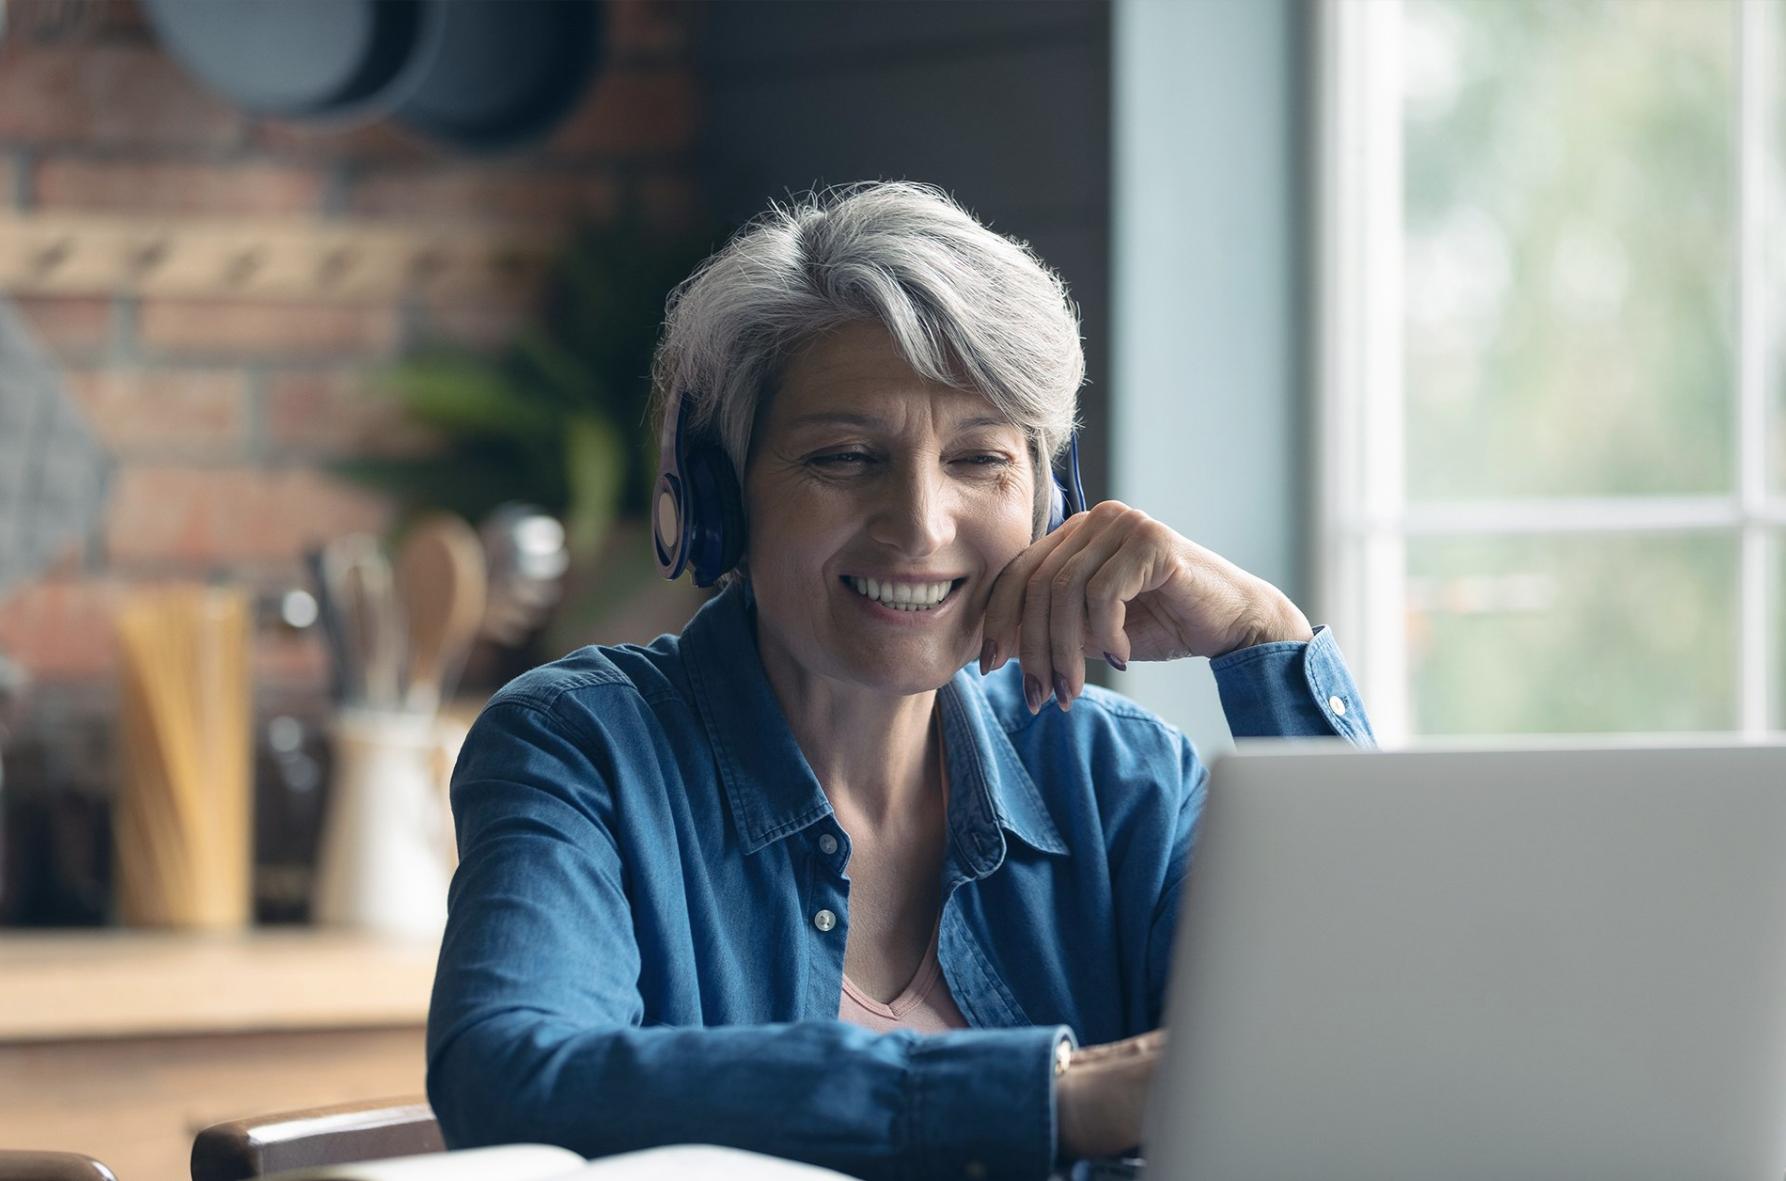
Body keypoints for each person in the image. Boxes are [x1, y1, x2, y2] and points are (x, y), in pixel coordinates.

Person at [426, 181, 1375, 1180]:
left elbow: (1370, 1059)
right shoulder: (581, 746)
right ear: (716, 500)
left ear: (1054, 505)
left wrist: (1266, 643)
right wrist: (1047, 1097)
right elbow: (513, 1076)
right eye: (843, 457)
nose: (919, 523)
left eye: (979, 459)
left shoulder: (1123, 777)